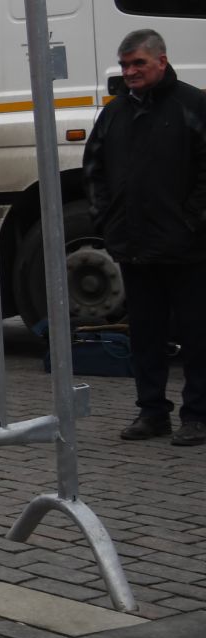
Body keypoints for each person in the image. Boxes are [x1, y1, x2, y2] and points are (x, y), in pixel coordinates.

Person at [83, 28, 206, 446]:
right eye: (125, 65)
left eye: (138, 63)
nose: (130, 72)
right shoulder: (115, 113)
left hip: (188, 249)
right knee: (146, 335)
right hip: (134, 247)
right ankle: (152, 412)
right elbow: (94, 171)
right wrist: (107, 221)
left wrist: (192, 222)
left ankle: (198, 416)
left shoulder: (193, 106)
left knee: (196, 334)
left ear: (162, 61)